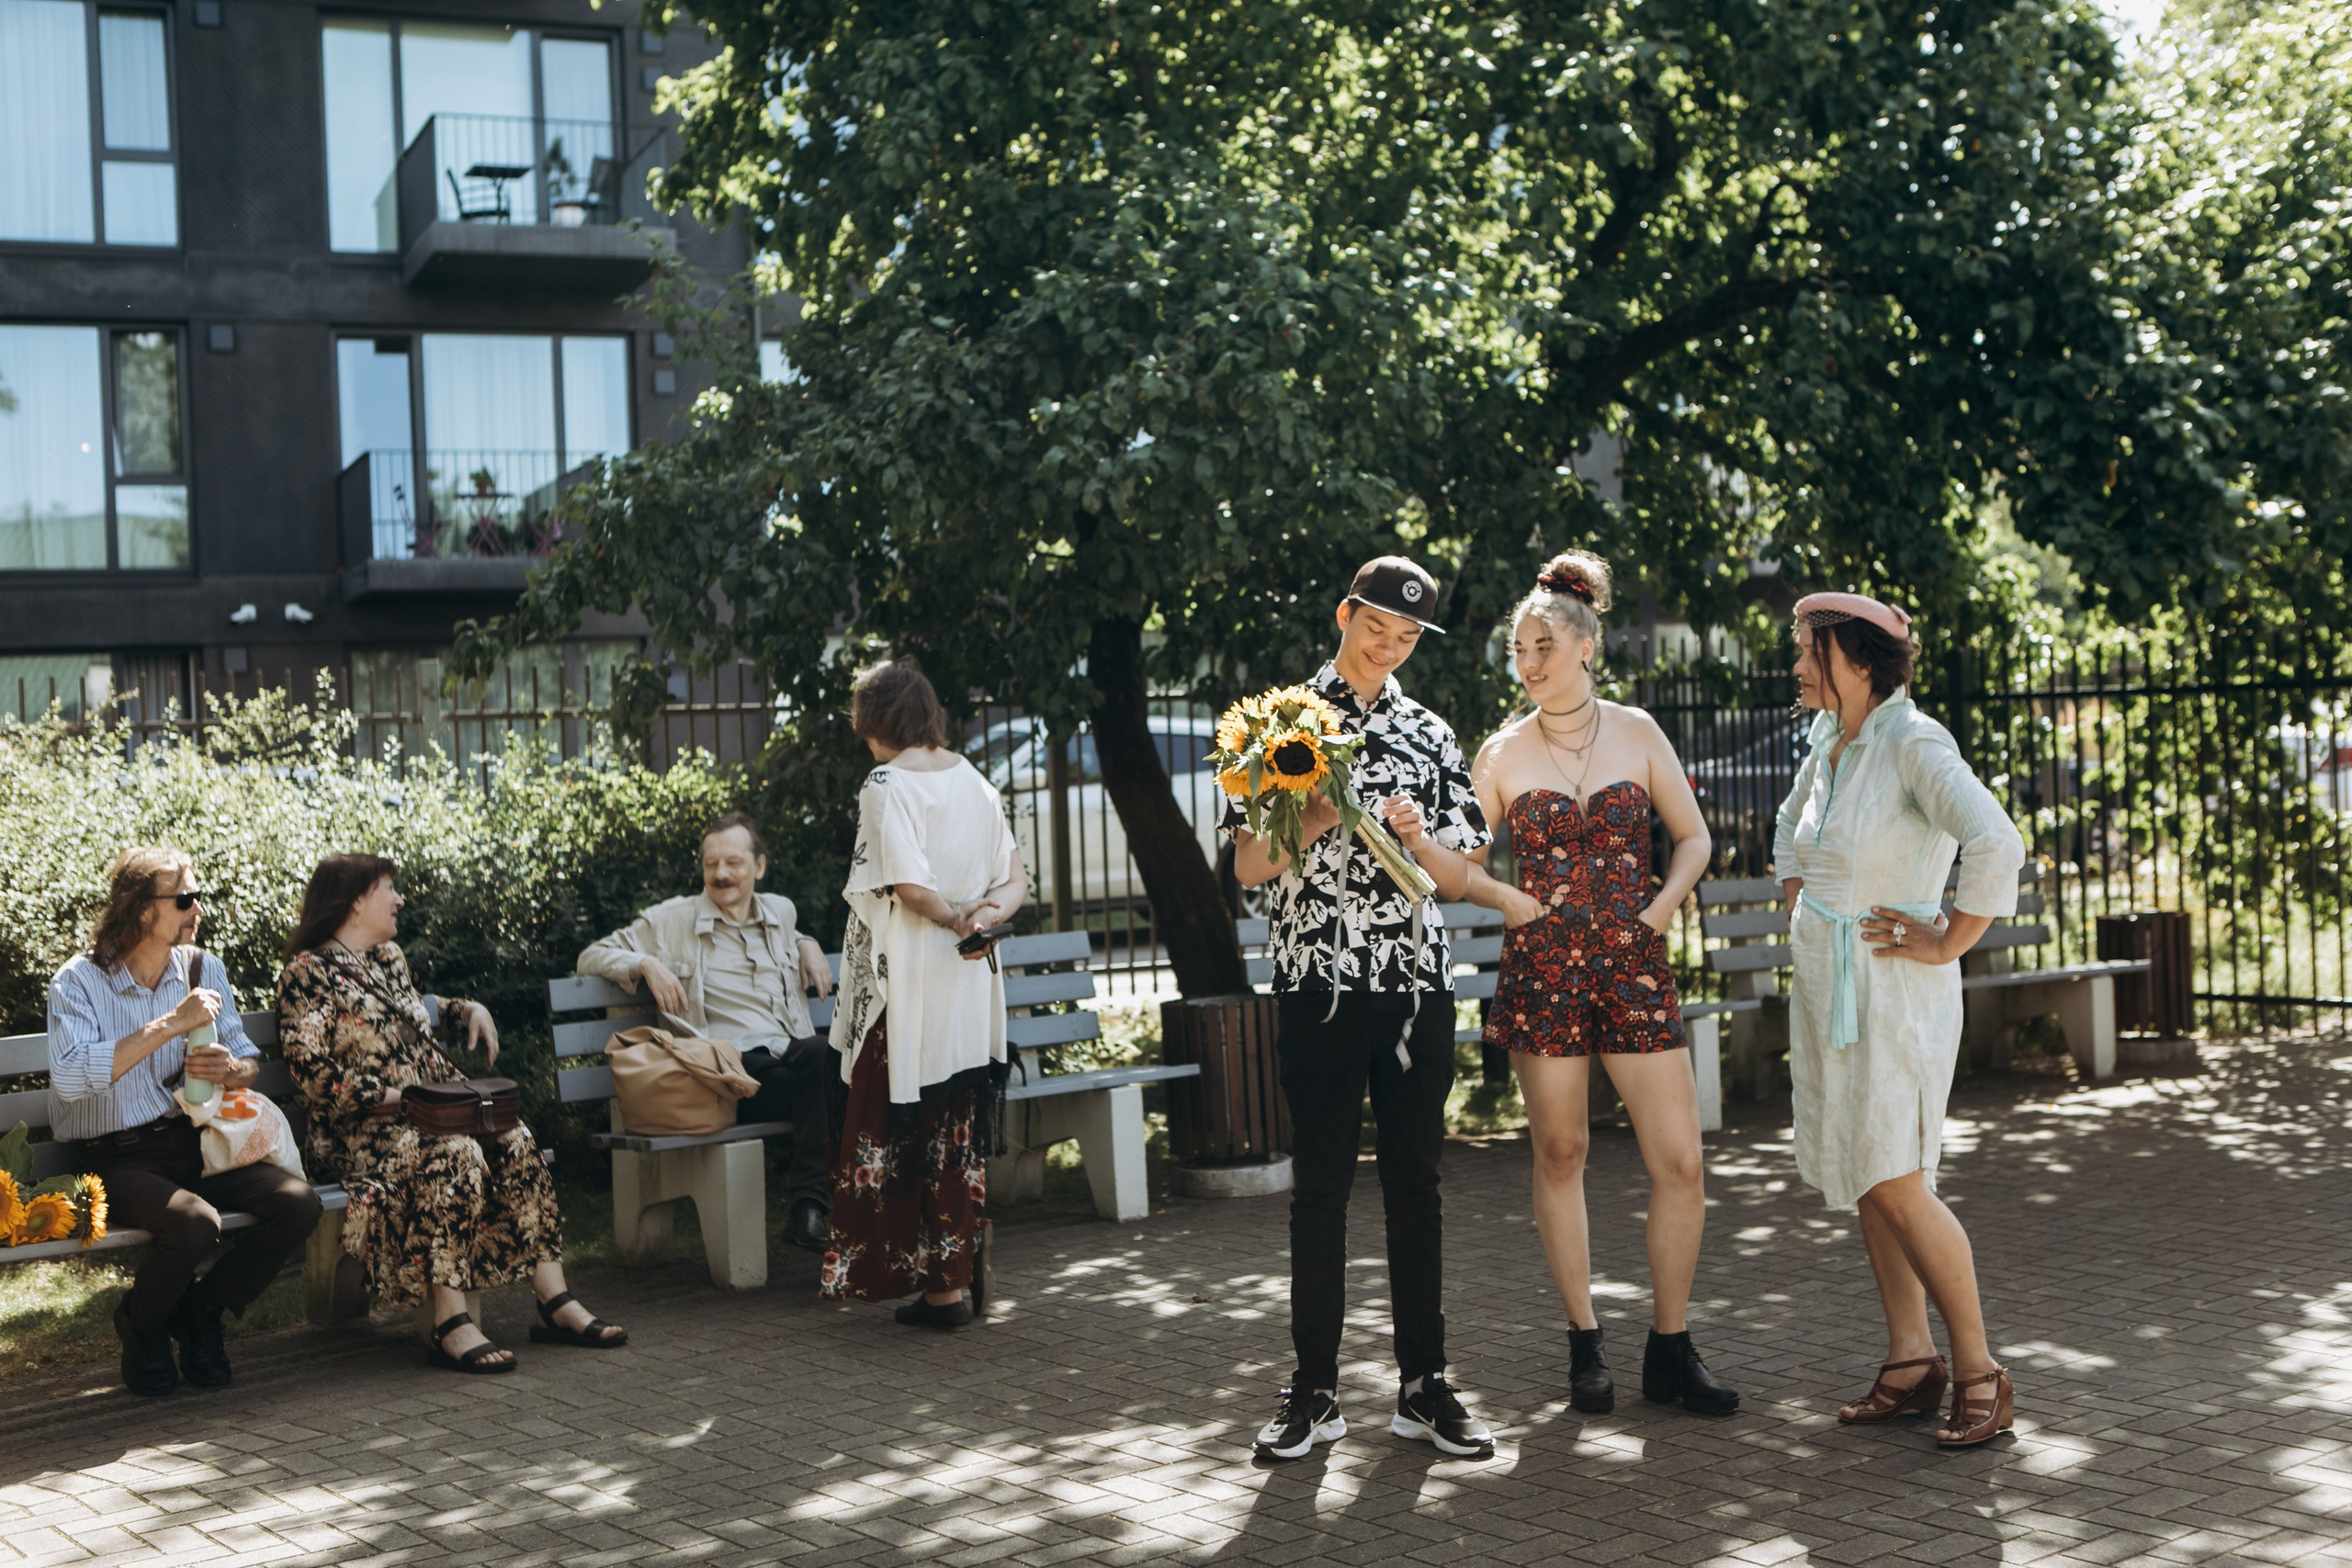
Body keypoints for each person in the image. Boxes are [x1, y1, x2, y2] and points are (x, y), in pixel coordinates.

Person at [1226, 555, 1497, 1462]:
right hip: (1318, 986)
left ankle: (1423, 1385)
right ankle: (1313, 1390)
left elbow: (1461, 870)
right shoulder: (1280, 724)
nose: (1389, 647)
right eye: (1376, 628)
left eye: (1406, 637)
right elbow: (1247, 867)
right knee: (1322, 1192)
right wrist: (1320, 815)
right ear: (1343, 614)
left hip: (1414, 985)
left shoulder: (1429, 729)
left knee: (1416, 1186)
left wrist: (1422, 838)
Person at [1461, 552, 1740, 1418]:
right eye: (1518, 648)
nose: (1528, 661)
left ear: (1585, 644)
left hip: (1633, 965)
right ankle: (1585, 1341)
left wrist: (1657, 913)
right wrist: (1492, 886)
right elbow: (1458, 864)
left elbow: (1691, 839)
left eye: (1542, 644)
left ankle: (1671, 1346)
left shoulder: (1638, 731)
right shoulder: (1500, 751)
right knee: (1561, 1151)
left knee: (1681, 1161)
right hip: (1542, 971)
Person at [1772, 592, 2025, 1448]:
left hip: (1896, 991)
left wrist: (1949, 935)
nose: (1800, 665)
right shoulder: (1830, 742)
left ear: (1859, 660)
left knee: (1900, 1180)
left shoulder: (1913, 740)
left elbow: (1996, 838)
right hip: (1830, 986)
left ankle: (1984, 1371)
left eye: (1812, 651)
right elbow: (1789, 834)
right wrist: (1810, 907)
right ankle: (1913, 1362)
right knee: (1864, 1172)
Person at [277, 854, 626, 1373]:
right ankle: (449, 1321)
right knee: (456, 1151)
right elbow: (312, 1075)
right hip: (362, 1134)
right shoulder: (306, 974)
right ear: (355, 902)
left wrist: (468, 1009)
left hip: (429, 1117)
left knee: (515, 1136)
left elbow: (415, 1012)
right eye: (389, 889)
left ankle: (553, 1301)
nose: (399, 899)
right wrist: (403, 1099)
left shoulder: (387, 957)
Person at [47, 847, 324, 1396]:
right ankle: (142, 1326)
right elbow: (73, 1077)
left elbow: (248, 1061)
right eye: (185, 899)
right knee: (194, 1222)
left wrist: (230, 1068)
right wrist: (172, 1023)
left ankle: (200, 1312)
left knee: (298, 1204)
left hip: (193, 1143)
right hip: (114, 1156)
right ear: (142, 909)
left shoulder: (202, 968)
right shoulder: (78, 981)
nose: (197, 909)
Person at [822, 660, 1026, 1329]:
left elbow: (908, 887)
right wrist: (982, 917)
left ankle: (920, 1280)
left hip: (907, 986)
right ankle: (947, 1284)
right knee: (953, 1135)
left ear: (877, 721)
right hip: (968, 986)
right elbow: (1014, 879)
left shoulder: (885, 783)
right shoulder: (974, 779)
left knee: (891, 1131)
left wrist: (952, 916)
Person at [578, 811, 838, 1250]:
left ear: (759, 867)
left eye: (734, 863)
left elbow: (789, 932)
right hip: (722, 1071)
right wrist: (645, 963)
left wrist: (804, 942)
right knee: (836, 1081)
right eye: (711, 863)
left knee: (824, 1055)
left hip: (786, 1059)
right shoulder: (670, 920)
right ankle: (820, 1210)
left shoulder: (780, 912)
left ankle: (812, 1211)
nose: (721, 874)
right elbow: (591, 957)